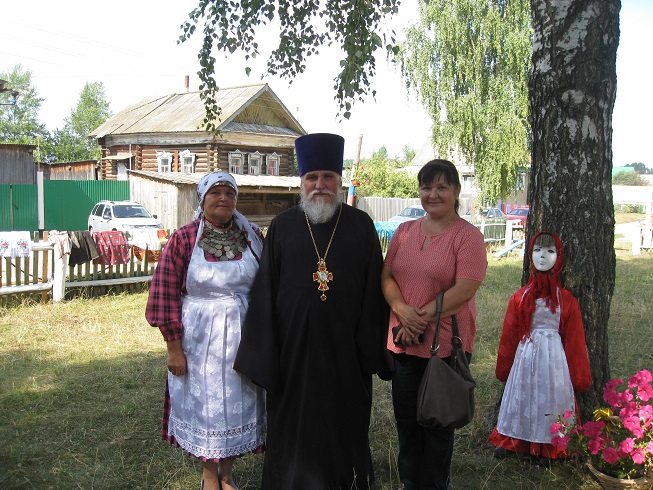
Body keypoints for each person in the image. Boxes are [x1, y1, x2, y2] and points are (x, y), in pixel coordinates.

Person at [233, 133, 392, 490]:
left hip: (345, 354)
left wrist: (370, 351)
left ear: (339, 179)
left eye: (327, 177)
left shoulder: (361, 225)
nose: (319, 185)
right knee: (292, 426)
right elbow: (266, 291)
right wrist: (264, 353)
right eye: (312, 178)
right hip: (292, 355)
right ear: (301, 182)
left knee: (345, 422)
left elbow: (371, 292)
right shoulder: (284, 226)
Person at [145, 172, 266, 490]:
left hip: (243, 336)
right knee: (209, 408)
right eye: (216, 192)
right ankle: (210, 477)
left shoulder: (252, 236)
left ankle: (227, 475)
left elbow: (268, 285)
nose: (224, 198)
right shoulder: (184, 238)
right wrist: (174, 348)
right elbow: (163, 293)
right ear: (202, 198)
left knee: (237, 405)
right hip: (200, 341)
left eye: (230, 192)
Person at [381, 159, 488, 490]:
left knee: (437, 424)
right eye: (427, 187)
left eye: (442, 187)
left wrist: (419, 317)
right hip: (404, 341)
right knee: (407, 421)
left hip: (443, 346)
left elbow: (464, 289)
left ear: (456, 191)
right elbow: (386, 275)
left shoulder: (467, 237)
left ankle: (433, 484)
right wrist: (401, 308)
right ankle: (410, 482)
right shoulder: (405, 231)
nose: (433, 194)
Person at [489, 231, 591, 464]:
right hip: (526, 356)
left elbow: (575, 340)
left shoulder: (566, 300)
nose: (542, 256)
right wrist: (504, 368)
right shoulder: (520, 297)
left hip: (553, 359)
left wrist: (579, 377)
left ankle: (549, 444)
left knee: (551, 397)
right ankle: (515, 439)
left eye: (549, 251)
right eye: (537, 250)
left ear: (559, 256)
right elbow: (510, 334)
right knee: (521, 395)